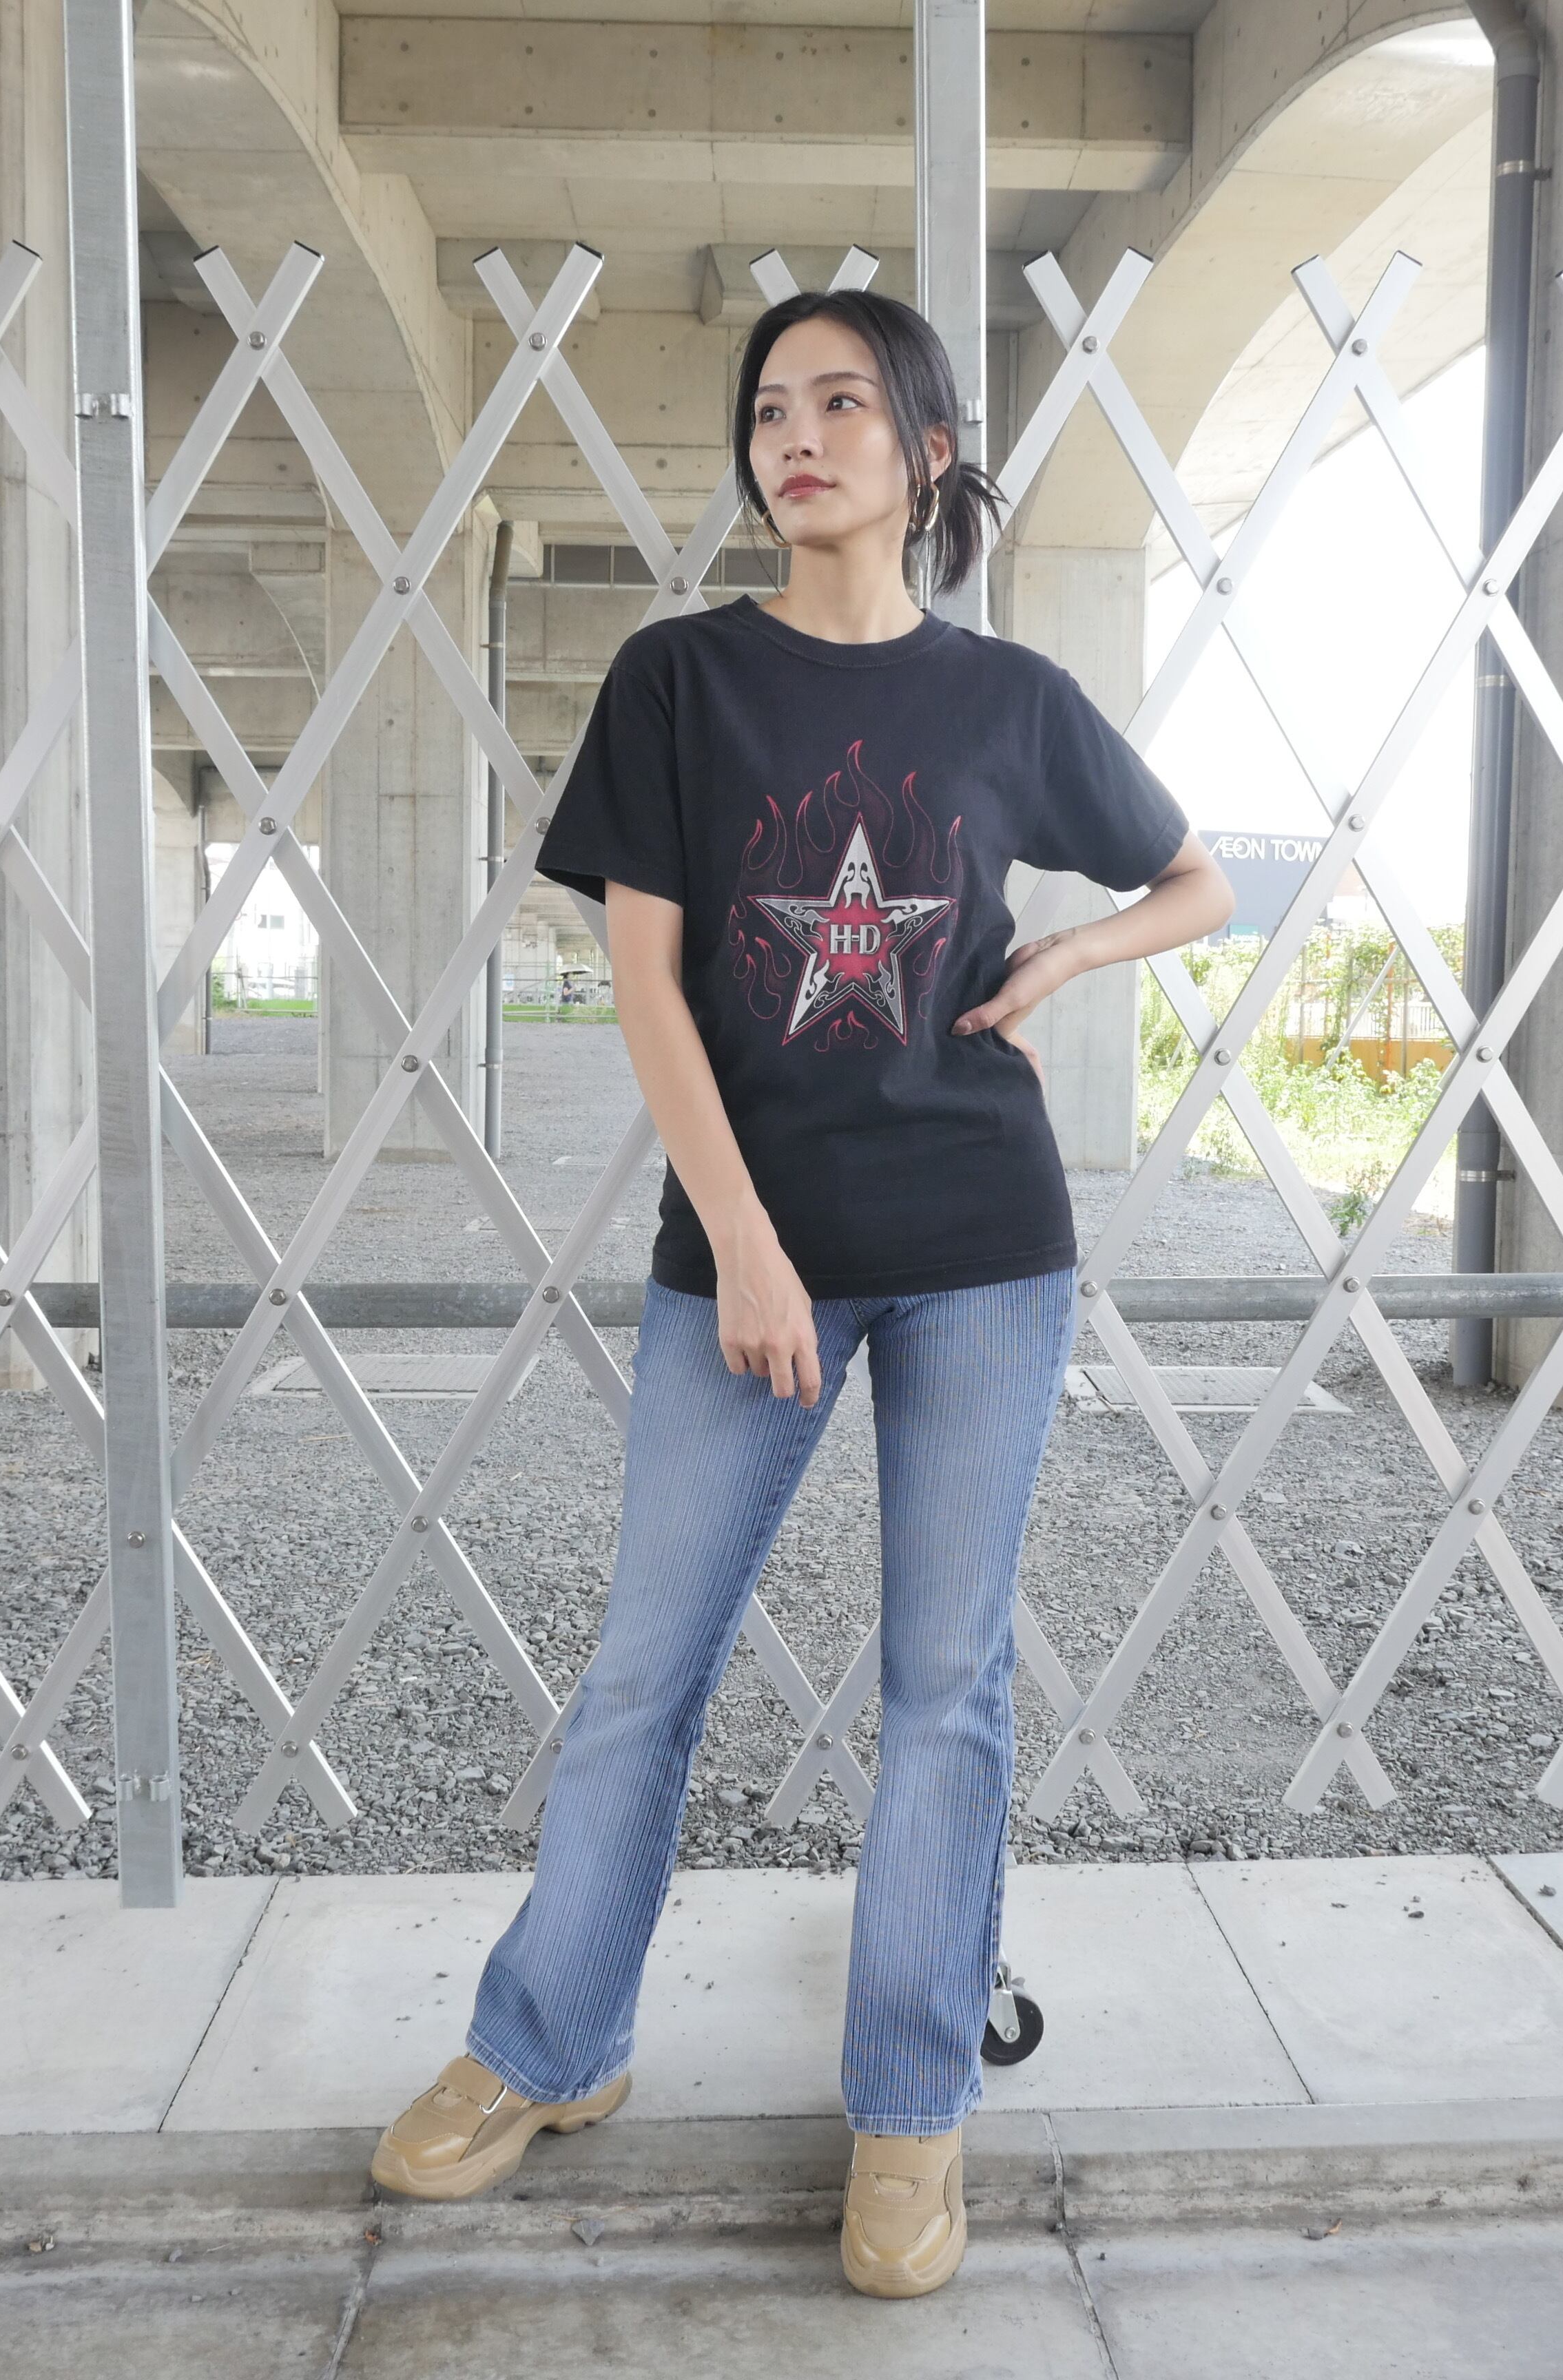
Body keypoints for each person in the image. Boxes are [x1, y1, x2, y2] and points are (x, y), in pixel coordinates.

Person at [369, 286, 1234, 2299]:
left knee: (946, 1692)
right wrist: (748, 1240)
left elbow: (1193, 879)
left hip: (983, 1251)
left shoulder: (1011, 700)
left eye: (846, 402)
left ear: (926, 454)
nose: (800, 434)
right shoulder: (680, 680)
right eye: (773, 406)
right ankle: (548, 2045)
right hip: (743, 1259)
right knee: (643, 1673)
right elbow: (645, 981)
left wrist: (1064, 963)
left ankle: (912, 2105)